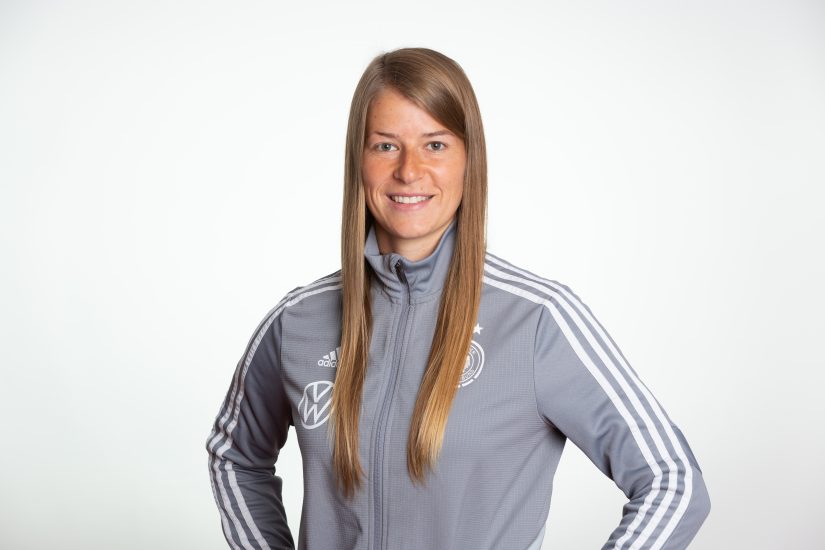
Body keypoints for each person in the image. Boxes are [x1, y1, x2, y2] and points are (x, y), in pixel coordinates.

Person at [205, 47, 711, 550]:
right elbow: (234, 457)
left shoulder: (535, 320)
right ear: (358, 159)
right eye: (385, 145)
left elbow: (672, 481)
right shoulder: (297, 322)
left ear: (470, 159)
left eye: (435, 145)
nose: (409, 170)